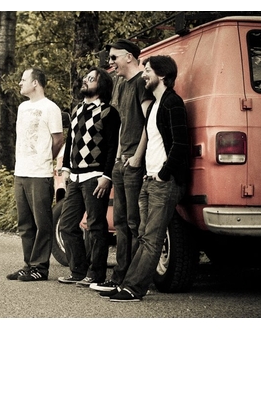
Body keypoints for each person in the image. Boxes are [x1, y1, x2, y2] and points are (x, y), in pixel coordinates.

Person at [100, 55, 189, 301]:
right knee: (143, 235)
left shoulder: (173, 103)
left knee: (152, 237)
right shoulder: (154, 107)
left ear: (162, 75)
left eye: (148, 70)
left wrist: (163, 174)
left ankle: (134, 288)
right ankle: (128, 284)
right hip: (149, 180)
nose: (144, 75)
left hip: (164, 182)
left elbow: (181, 144)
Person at [90, 39, 154, 292]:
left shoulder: (141, 83)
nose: (111, 63)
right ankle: (119, 278)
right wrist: (118, 156)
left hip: (136, 163)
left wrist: (137, 157)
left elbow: (150, 122)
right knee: (120, 223)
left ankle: (133, 280)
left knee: (134, 223)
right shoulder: (121, 84)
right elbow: (122, 124)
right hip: (121, 161)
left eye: (114, 57)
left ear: (129, 57)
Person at [57, 67, 120, 286]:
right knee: (67, 225)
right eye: (86, 78)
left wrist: (107, 176)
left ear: (101, 85)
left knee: (95, 227)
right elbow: (70, 141)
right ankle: (78, 271)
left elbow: (113, 147)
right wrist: (66, 168)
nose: (85, 81)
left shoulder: (109, 112)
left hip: (95, 177)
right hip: (75, 177)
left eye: (91, 79)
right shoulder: (76, 110)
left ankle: (96, 274)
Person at [7, 67, 64, 282]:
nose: (20, 83)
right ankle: (28, 265)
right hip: (21, 171)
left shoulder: (51, 108)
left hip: (40, 173)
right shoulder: (22, 108)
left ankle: (40, 267)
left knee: (42, 222)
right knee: (25, 223)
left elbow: (58, 140)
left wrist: (45, 159)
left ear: (35, 83)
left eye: (23, 79)